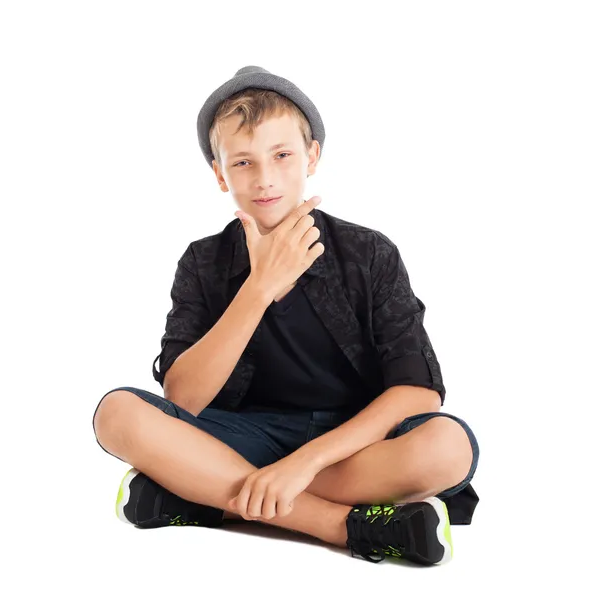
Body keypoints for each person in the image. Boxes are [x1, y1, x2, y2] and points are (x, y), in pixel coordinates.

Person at [92, 65, 480, 566]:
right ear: (219, 173)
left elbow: (418, 389)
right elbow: (183, 399)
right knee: (116, 414)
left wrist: (303, 463)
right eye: (243, 163)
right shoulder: (202, 262)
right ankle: (339, 525)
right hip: (240, 434)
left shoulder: (369, 252)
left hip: (348, 448)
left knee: (448, 447)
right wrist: (259, 288)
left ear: (311, 155)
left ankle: (207, 495)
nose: (266, 179)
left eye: (282, 155)